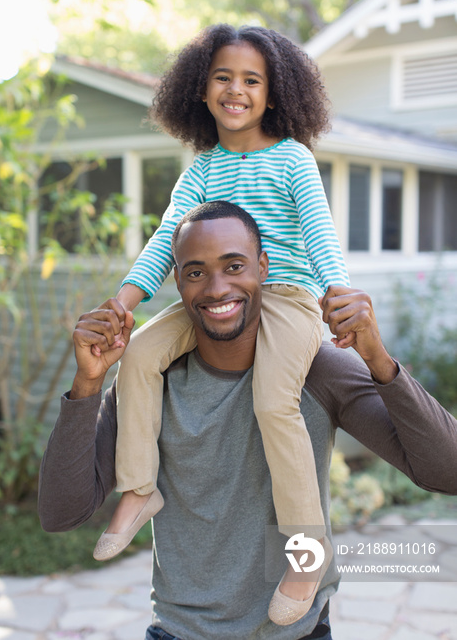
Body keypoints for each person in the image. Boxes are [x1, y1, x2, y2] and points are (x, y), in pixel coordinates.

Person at [39, 202, 457, 640]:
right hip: (180, 632)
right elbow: (61, 513)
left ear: (263, 267)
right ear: (178, 281)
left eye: (234, 266)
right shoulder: (151, 379)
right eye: (196, 272)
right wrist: (88, 383)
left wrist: (377, 358)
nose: (217, 288)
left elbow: (446, 471)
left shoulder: (319, 370)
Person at [93, 26, 351, 622]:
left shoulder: (291, 158)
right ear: (201, 91)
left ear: (274, 92)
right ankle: (139, 487)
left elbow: (318, 233)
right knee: (138, 354)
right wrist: (125, 301)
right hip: (211, 297)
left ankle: (306, 552)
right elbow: (167, 238)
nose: (236, 90)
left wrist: (339, 294)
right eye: (223, 78)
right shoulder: (203, 168)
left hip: (283, 295)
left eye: (252, 80)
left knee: (273, 401)